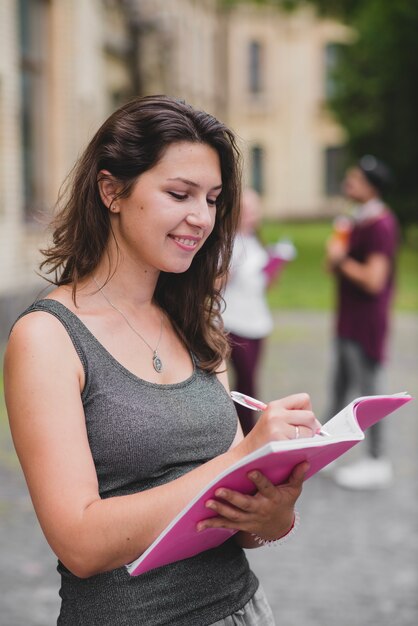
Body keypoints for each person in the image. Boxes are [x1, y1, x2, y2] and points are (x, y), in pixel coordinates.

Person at [4, 95, 321, 625]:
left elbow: (234, 518)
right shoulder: (48, 339)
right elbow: (80, 543)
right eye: (180, 194)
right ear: (112, 191)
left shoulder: (195, 323)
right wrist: (237, 461)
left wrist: (274, 509)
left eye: (214, 199)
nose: (201, 218)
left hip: (241, 610)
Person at [325, 154, 399, 490]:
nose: (347, 184)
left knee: (368, 392)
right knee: (339, 388)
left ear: (371, 188)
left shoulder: (381, 224)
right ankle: (327, 451)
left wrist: (341, 262)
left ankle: (377, 459)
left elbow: (374, 280)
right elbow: (332, 264)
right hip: (347, 320)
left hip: (366, 323)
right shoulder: (355, 219)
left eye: (354, 180)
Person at [221, 188, 295, 435]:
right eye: (247, 210)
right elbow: (215, 283)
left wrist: (277, 263)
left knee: (251, 380)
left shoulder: (254, 241)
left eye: (255, 209)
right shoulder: (227, 243)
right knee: (244, 383)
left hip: (258, 321)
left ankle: (247, 430)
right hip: (234, 322)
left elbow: (264, 284)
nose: (252, 215)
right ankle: (246, 432)